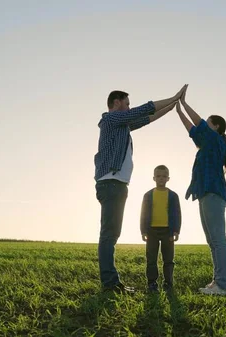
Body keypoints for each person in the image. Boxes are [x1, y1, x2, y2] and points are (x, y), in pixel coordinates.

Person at [94, 85, 186, 293]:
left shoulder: (122, 126)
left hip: (116, 185)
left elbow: (147, 119)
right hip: (111, 184)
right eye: (127, 104)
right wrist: (173, 96)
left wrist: (171, 106)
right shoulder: (110, 120)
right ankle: (110, 283)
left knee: (112, 233)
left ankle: (111, 282)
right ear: (116, 103)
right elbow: (144, 110)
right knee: (109, 234)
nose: (129, 108)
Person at [175, 87, 226, 296]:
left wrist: (183, 102)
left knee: (218, 239)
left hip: (213, 193)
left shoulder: (217, 141)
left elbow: (198, 122)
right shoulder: (206, 144)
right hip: (205, 194)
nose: (205, 126)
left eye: (209, 123)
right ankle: (217, 282)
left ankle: (223, 285)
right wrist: (178, 111)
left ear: (216, 127)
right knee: (212, 240)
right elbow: (192, 129)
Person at [140, 165, 182, 292]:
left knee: (168, 260)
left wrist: (176, 230)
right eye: (158, 176)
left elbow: (177, 213)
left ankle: (168, 283)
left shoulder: (173, 195)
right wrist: (143, 230)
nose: (161, 179)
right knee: (151, 259)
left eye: (164, 176)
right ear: (154, 178)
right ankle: (152, 283)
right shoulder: (148, 195)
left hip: (168, 231)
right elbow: (143, 213)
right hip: (151, 231)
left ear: (168, 178)